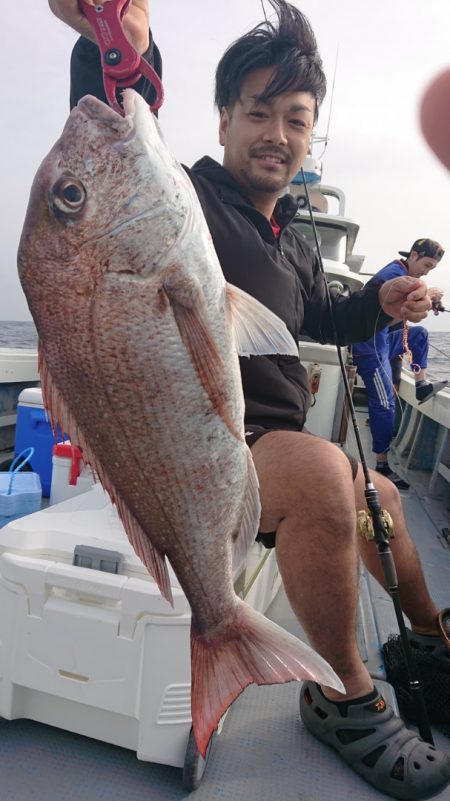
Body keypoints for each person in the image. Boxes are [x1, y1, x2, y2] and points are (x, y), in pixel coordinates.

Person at [49, 2, 450, 798]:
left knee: (382, 495)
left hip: (254, 449)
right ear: (224, 117)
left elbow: (325, 318)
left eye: (295, 118)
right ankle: (344, 692)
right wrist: (120, 49)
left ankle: (430, 645)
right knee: (323, 469)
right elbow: (115, 161)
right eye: (258, 111)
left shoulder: (293, 243)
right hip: (202, 441)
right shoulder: (187, 199)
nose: (276, 132)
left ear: (310, 133)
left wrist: (387, 298)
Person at [353, 239, 448, 491]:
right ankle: (382, 464)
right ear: (414, 255)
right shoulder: (394, 273)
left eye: (431, 268)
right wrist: (429, 294)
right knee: (385, 403)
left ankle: (421, 385)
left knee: (420, 335)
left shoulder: (405, 272)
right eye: (426, 264)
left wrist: (427, 299)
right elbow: (400, 293)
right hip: (369, 346)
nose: (427, 271)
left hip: (384, 340)